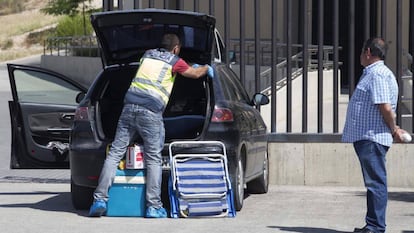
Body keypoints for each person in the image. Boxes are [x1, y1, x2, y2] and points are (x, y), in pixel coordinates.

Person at [88, 33, 214, 218]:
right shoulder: (176, 61)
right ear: (176, 48)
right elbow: (194, 74)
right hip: (150, 113)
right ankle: (153, 206)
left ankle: (100, 200)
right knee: (153, 158)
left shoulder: (147, 55)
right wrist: (205, 67)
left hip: (129, 108)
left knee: (115, 153)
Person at [342, 37, 405, 233]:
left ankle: (376, 227)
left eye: (362, 52)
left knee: (376, 183)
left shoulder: (376, 74)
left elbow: (384, 107)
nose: (360, 56)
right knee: (373, 183)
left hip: (372, 137)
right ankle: (372, 224)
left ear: (368, 52)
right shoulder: (375, 73)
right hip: (369, 137)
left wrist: (394, 129)